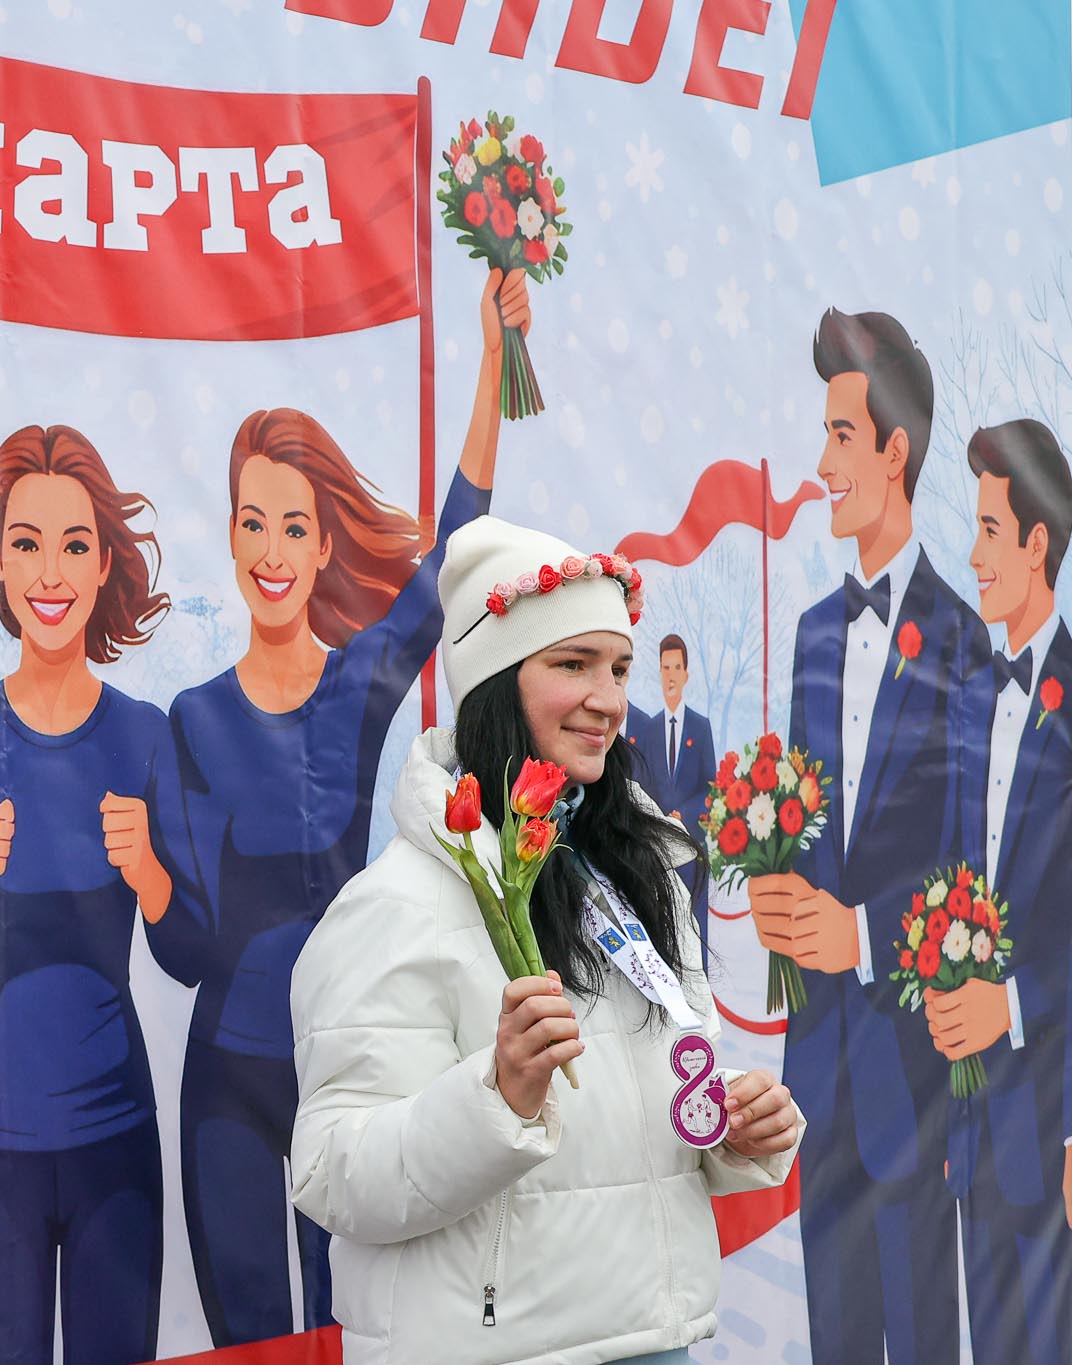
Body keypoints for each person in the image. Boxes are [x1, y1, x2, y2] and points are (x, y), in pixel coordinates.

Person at [289, 516, 803, 1364]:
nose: (609, 698)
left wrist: (731, 1127)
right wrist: (498, 1095)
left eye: (620, 667)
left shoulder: (639, 878)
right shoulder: (393, 906)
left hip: (656, 1339)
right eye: (573, 664)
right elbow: (330, 1170)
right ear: (495, 684)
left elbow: (637, 1134)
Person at [158, 271, 525, 1346]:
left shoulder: (357, 687)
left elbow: (456, 552)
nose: (271, 551)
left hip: (346, 1072)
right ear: (232, 540)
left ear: (322, 547)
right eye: (252, 524)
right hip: (223, 1084)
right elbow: (182, 940)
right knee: (249, 1346)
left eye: (294, 527)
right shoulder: (190, 717)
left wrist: (491, 365)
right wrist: (141, 872)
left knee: (349, 1340)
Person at [0, 424, 205, 1365]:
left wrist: (149, 872)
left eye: (74, 545)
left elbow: (192, 952)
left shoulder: (145, 735)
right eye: (27, 543)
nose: (51, 572)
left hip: (118, 1150)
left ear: (104, 563)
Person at [748, 309, 981, 1365]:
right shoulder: (811, 636)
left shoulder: (967, 643)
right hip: (820, 1073)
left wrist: (863, 935)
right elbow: (808, 838)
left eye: (839, 436)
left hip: (917, 1077)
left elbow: (980, 878)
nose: (821, 464)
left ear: (893, 450)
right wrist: (776, 896)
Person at [946, 419, 1072, 1364]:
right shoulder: (972, 697)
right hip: (973, 1123)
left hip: (1055, 1126)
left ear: (1036, 542)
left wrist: (1014, 1005)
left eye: (989, 530)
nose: (973, 555)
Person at [624, 635, 716, 951]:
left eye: (677, 667)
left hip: (693, 846)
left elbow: (711, 788)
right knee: (662, 934)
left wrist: (683, 814)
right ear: (659, 673)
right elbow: (640, 785)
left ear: (686, 674)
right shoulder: (647, 729)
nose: (671, 675)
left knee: (697, 932)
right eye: (666, 668)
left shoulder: (701, 727)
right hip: (656, 851)